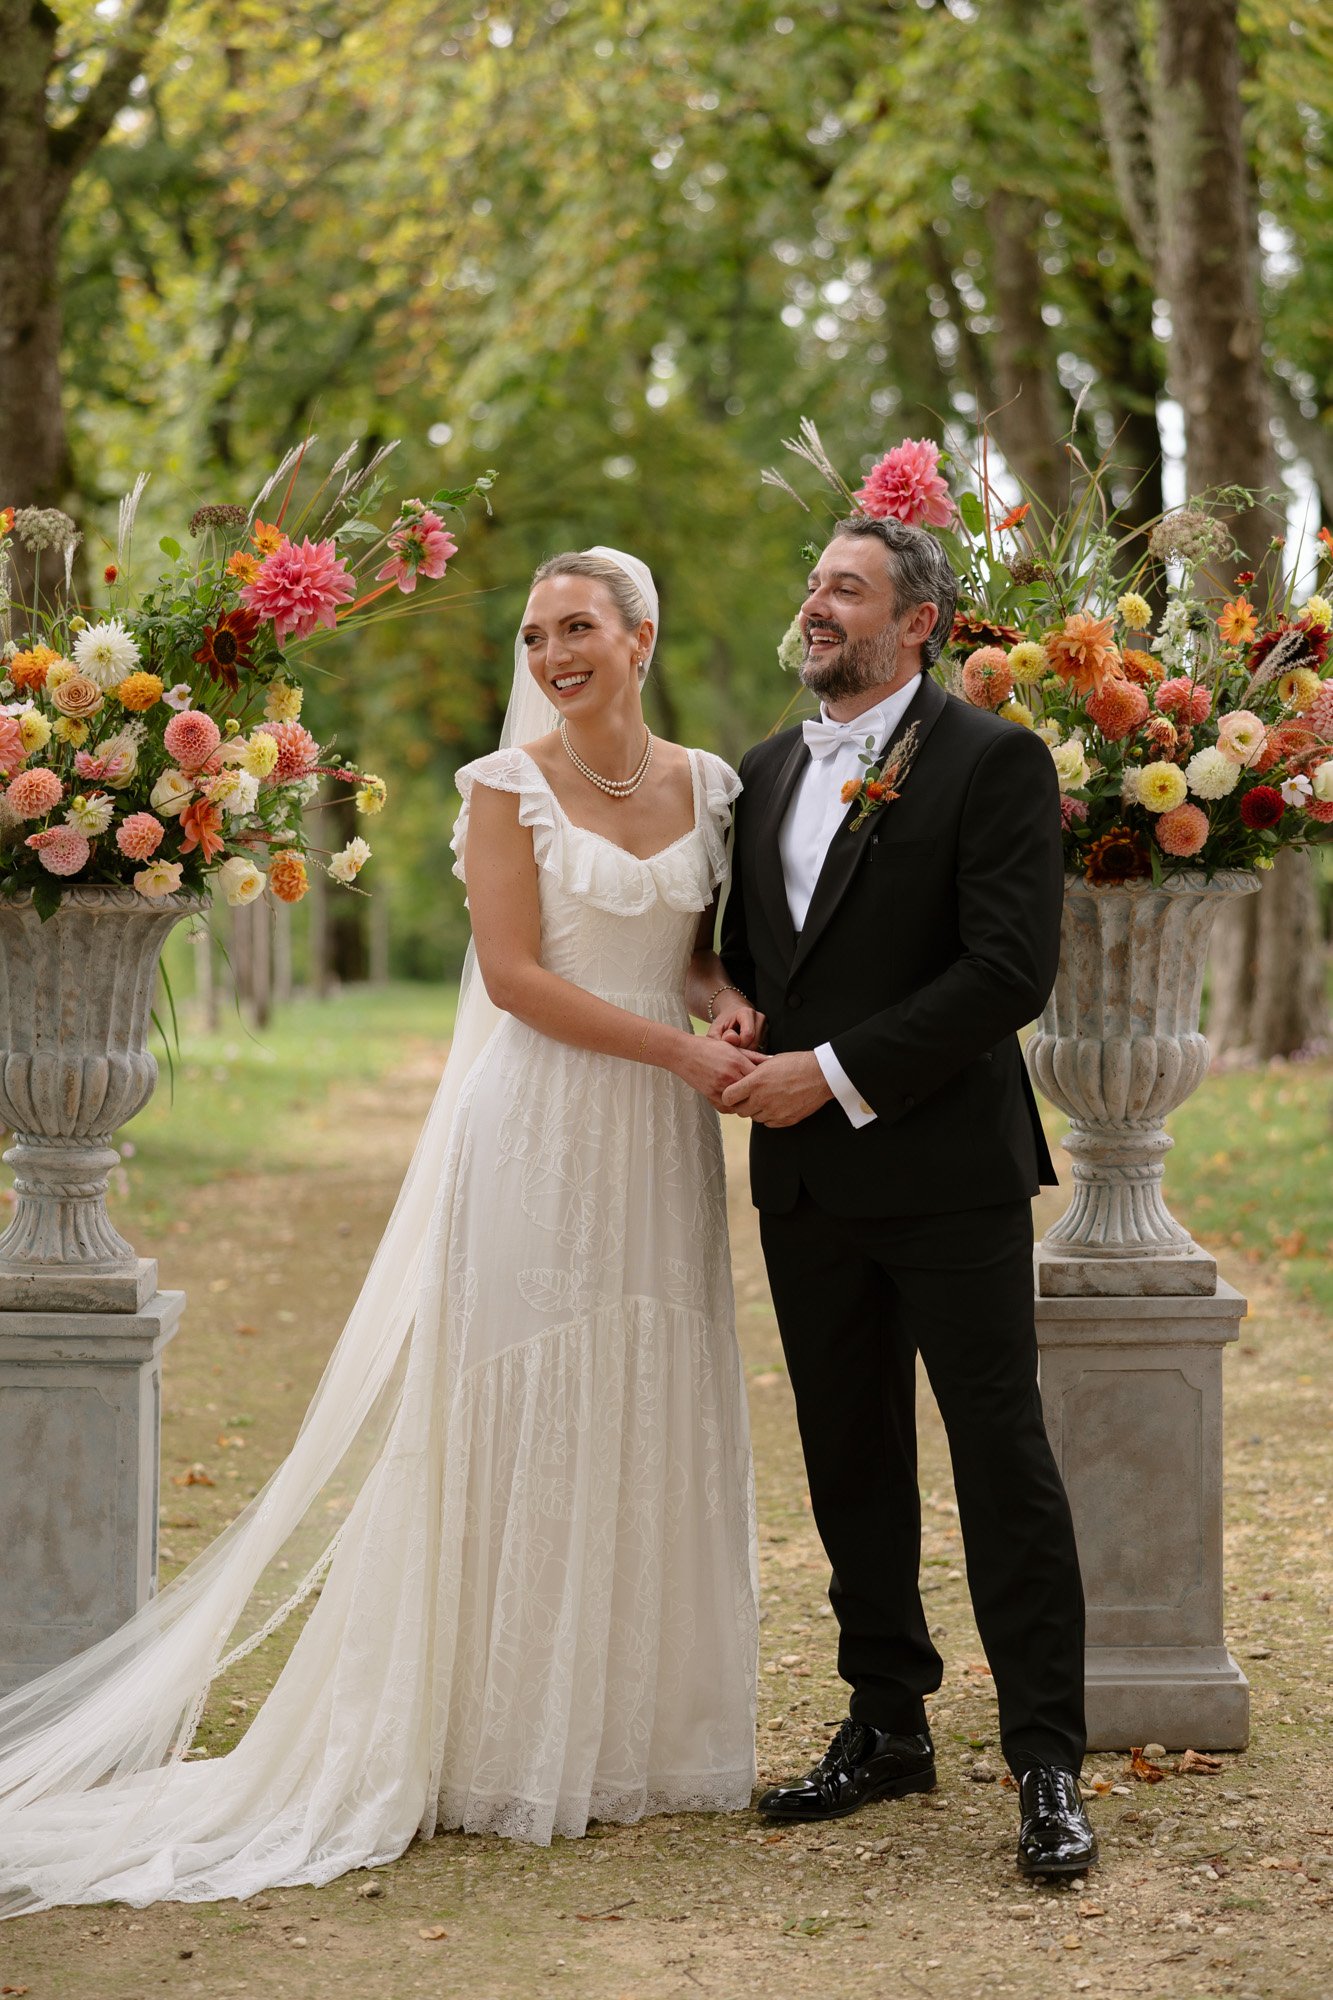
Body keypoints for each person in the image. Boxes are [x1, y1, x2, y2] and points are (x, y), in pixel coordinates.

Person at [0, 547, 762, 1916]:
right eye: (534, 636)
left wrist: (719, 1004)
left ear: (641, 635)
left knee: (644, 1389)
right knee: (523, 1398)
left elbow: (687, 942)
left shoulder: (712, 785)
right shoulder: (499, 792)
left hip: (657, 1142)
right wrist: (678, 1050)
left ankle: (628, 1728)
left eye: (577, 627)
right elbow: (522, 981)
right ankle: (498, 1734)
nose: (551, 654)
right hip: (541, 1130)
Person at [717, 514, 1096, 1877]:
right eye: (813, 581)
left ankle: (1046, 1760)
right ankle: (886, 1724)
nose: (816, 605)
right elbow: (734, 953)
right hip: (807, 1186)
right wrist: (725, 1011)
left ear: (917, 621)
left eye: (846, 589)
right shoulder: (761, 773)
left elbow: (1008, 973)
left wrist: (828, 1072)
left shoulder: (995, 761)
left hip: (946, 1172)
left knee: (1001, 1463)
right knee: (849, 1458)